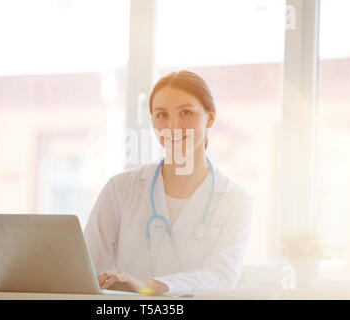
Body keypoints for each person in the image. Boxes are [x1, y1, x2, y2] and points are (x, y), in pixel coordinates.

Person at [84, 70, 253, 297]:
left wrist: (148, 284)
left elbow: (221, 277)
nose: (173, 125)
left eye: (186, 112)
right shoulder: (120, 189)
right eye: (162, 115)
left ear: (210, 117)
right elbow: (86, 270)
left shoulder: (235, 200)